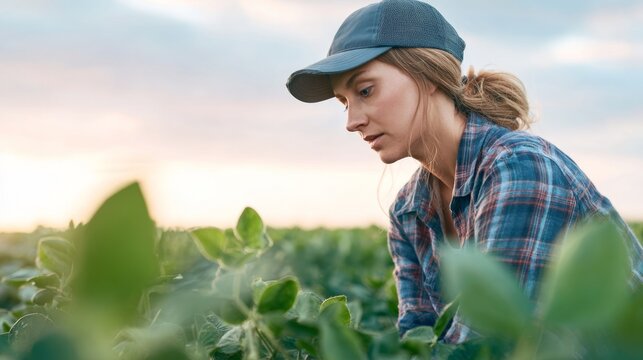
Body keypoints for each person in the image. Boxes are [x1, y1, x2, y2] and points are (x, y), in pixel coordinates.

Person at [286, 0, 643, 344]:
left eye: (366, 90)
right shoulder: (408, 209)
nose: (351, 121)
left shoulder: (519, 167)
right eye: (344, 103)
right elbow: (417, 338)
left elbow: (488, 343)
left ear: (428, 76)